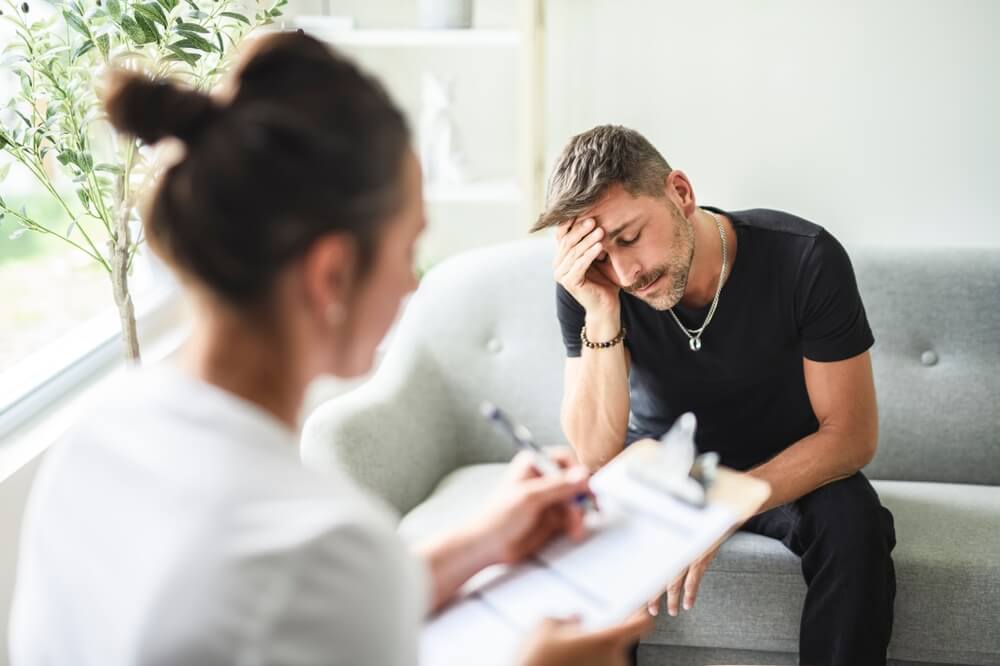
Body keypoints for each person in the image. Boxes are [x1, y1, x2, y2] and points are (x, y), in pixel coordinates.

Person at [9, 35, 651, 666]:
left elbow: (290, 613)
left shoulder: (103, 432)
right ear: (332, 277)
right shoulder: (321, 545)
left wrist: (481, 541)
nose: (412, 281)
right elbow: (305, 592)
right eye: (408, 248)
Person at [533, 125, 896, 666]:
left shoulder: (806, 259)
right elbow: (597, 455)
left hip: (790, 460)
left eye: (629, 237)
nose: (626, 272)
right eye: (601, 255)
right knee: (586, 541)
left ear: (680, 193)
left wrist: (725, 506)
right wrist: (600, 309)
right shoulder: (597, 287)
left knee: (856, 525)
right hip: (662, 465)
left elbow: (851, 435)